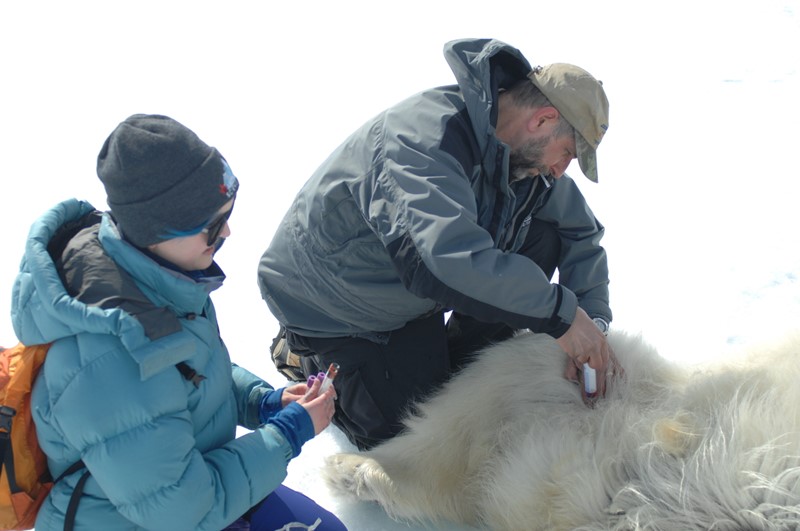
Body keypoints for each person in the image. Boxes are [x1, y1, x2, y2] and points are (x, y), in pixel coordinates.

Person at [258, 38, 620, 451]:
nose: (560, 171)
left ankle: (460, 362)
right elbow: (445, 261)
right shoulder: (425, 139)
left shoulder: (520, 155)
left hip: (410, 292)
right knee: (414, 436)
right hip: (340, 306)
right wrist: (563, 318)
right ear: (543, 120)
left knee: (545, 234)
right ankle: (303, 355)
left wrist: (592, 324)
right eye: (568, 153)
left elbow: (579, 231)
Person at [12, 114, 347, 530]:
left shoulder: (158, 277)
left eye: (227, 213)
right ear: (157, 231)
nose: (227, 230)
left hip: (193, 478)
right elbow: (185, 510)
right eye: (211, 226)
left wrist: (261, 402)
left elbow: (190, 371)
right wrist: (288, 433)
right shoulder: (107, 361)